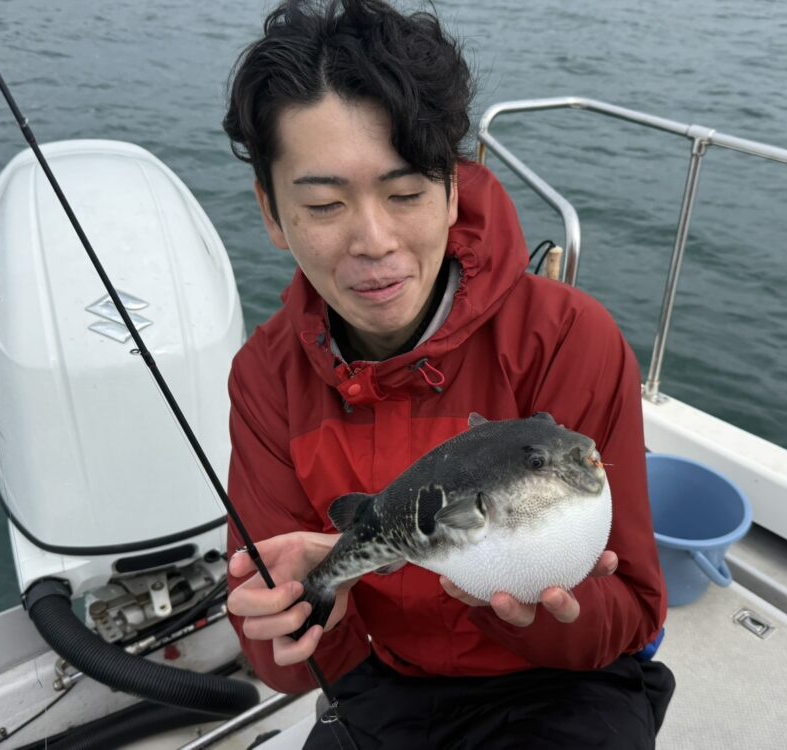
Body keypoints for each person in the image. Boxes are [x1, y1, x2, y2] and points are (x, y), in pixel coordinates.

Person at [221, 1, 675, 747]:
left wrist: (541, 613)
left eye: (405, 194)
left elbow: (631, 611)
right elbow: (286, 665)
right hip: (389, 680)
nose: (374, 241)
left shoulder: (568, 339)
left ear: (454, 190)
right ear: (272, 212)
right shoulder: (266, 379)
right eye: (324, 204)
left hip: (563, 683)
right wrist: (299, 618)